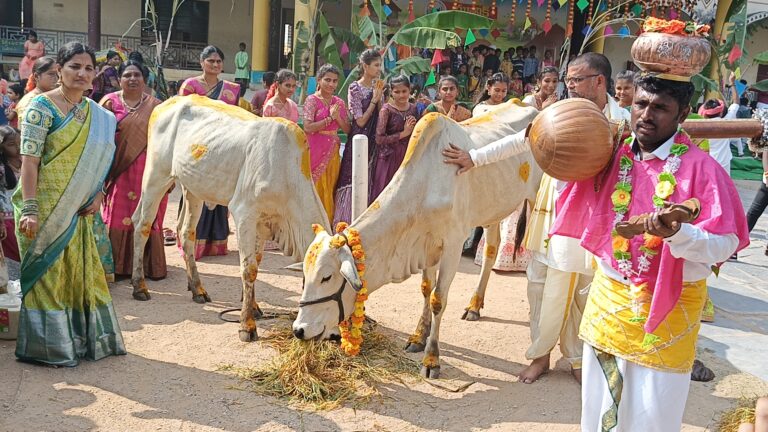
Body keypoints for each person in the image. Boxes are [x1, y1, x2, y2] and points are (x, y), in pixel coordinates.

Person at [443, 53, 631, 385]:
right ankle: (540, 355)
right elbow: (521, 141)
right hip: (555, 211)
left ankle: (574, 357)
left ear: (600, 81)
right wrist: (474, 158)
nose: (569, 86)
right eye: (567, 80)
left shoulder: (623, 121)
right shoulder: (556, 113)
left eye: (576, 80)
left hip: (596, 217)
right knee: (540, 285)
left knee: (584, 290)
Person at [14, 41, 126, 367]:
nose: (82, 73)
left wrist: (100, 194)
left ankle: (80, 339)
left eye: (88, 68)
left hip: (79, 210)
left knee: (79, 276)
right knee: (48, 276)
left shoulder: (99, 117)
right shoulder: (41, 107)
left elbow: (105, 161)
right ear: (59, 69)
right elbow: (29, 162)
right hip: (45, 209)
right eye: (74, 66)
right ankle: (49, 347)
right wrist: (31, 208)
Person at [99, 59, 166, 282]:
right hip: (118, 169)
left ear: (145, 79)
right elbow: (99, 139)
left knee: (147, 213)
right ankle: (116, 264)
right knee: (118, 213)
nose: (132, 79)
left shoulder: (157, 106)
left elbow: (165, 141)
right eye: (127, 75)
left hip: (148, 170)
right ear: (119, 79)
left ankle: (149, 265)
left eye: (137, 75)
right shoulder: (108, 103)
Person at [178, 45, 240, 259]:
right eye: (211, 61)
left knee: (221, 190)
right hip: (196, 147)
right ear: (202, 63)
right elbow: (182, 116)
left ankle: (216, 242)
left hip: (223, 148)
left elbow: (236, 117)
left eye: (218, 61)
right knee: (195, 192)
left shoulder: (231, 89)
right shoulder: (190, 86)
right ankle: (192, 242)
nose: (215, 65)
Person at [470, 72, 532, 272]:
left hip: (506, 160)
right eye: (496, 90)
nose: (499, 94)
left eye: (504, 91)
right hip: (482, 158)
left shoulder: (509, 109)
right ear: (488, 88)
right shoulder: (481, 109)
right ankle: (473, 244)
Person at [334, 49, 383, 225]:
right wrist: (374, 101)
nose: (379, 69)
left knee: (371, 178)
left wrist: (379, 99)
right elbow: (360, 121)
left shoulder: (378, 87)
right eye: (376, 65)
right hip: (359, 139)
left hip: (374, 142)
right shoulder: (354, 87)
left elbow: (380, 116)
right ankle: (345, 221)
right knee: (351, 176)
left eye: (380, 65)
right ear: (365, 66)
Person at [303, 64, 350, 221]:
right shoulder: (312, 100)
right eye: (327, 80)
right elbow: (308, 127)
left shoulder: (339, 103)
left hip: (333, 151)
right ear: (319, 80)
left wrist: (336, 117)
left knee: (330, 185)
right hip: (314, 148)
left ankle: (329, 222)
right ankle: (312, 222)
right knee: (315, 185)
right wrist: (329, 118)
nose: (331, 84)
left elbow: (348, 129)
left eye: (335, 81)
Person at [370, 75, 419, 201]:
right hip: (388, 158)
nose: (401, 95)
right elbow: (379, 139)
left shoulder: (413, 109)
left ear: (409, 90)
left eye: (404, 91)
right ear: (391, 92)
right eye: (397, 92)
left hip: (407, 156)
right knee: (386, 196)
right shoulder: (386, 110)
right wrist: (403, 133)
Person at [698, 72, 740, 174]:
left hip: (706, 162)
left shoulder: (698, 125)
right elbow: (736, 102)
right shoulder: (726, 121)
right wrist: (732, 83)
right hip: (724, 163)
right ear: (721, 112)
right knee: (724, 188)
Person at [0, 126, 21, 280]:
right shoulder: (2, 170)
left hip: (22, 219)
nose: (17, 147)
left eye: (20, 143)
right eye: (11, 144)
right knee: (11, 259)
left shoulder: (29, 164)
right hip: (7, 221)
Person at [16, 57, 58, 121]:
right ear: (36, 76)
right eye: (51, 74)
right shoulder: (29, 101)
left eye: (57, 74)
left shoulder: (53, 97)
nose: (56, 78)